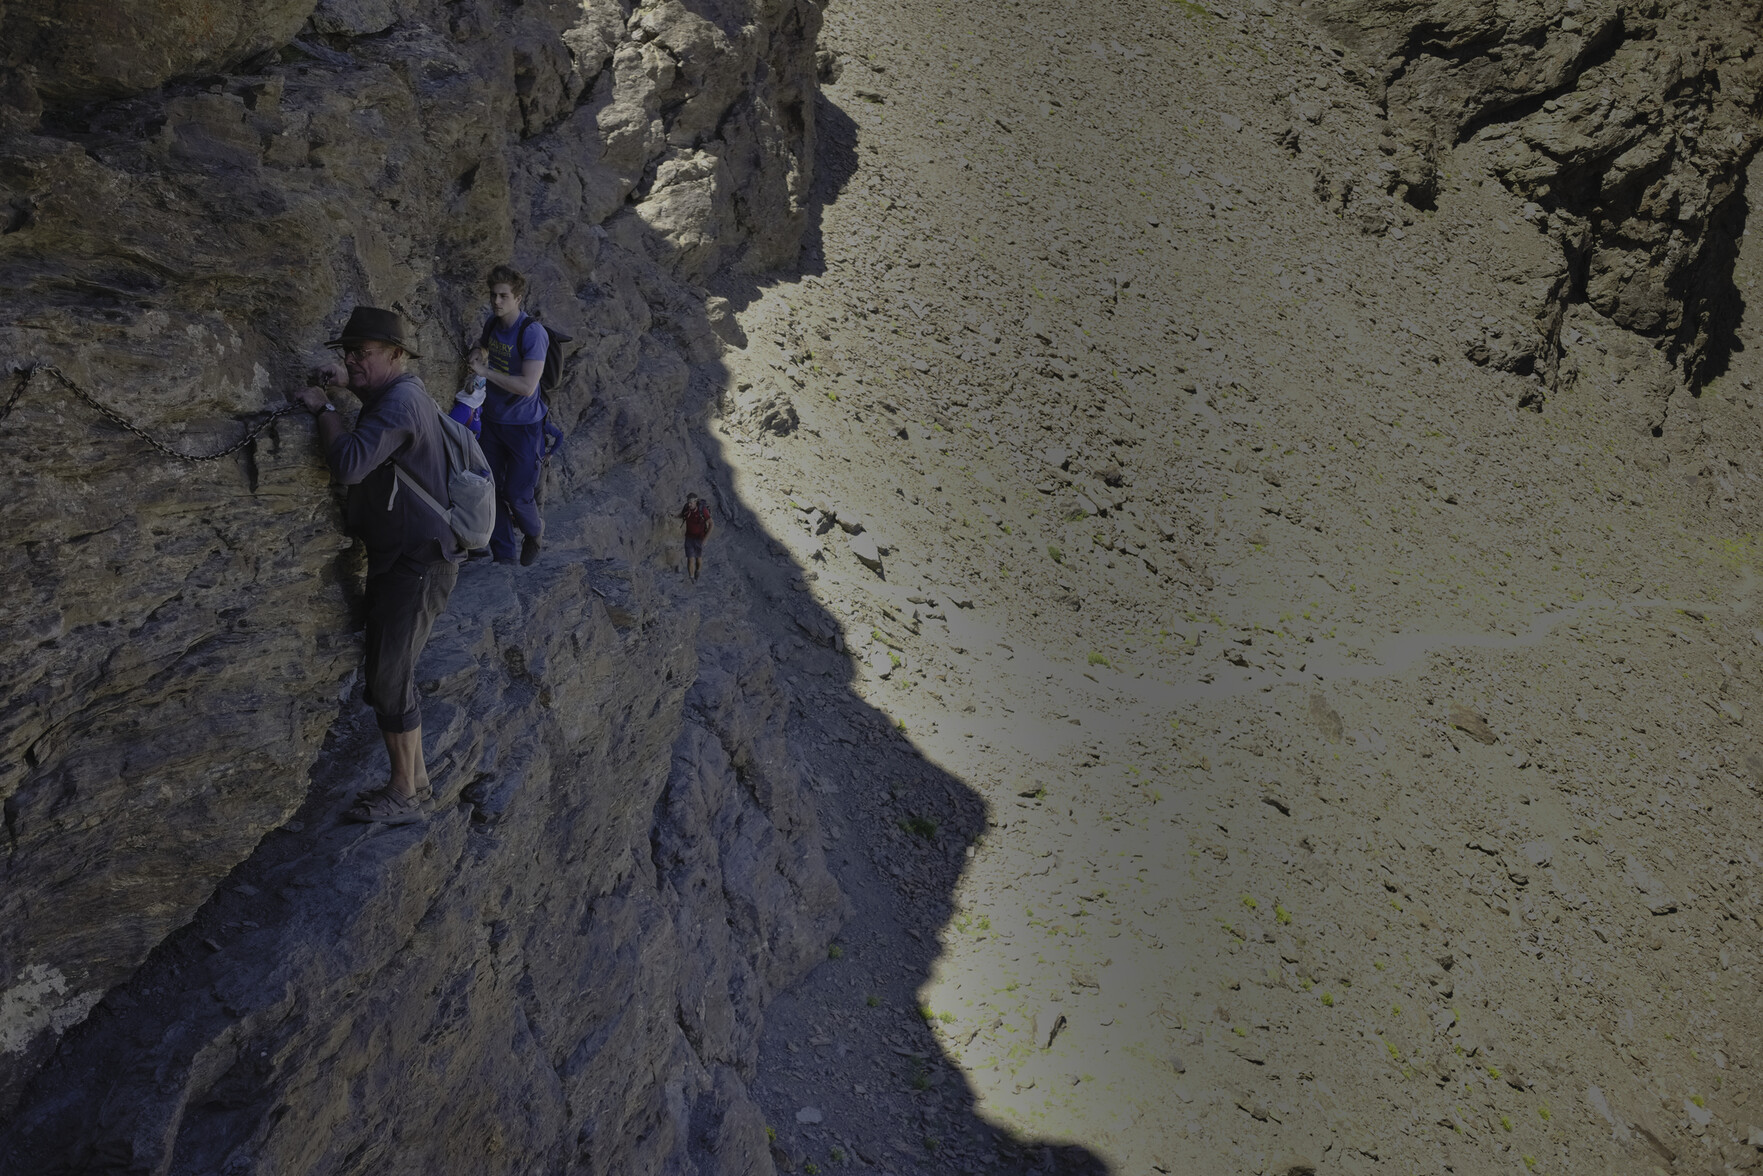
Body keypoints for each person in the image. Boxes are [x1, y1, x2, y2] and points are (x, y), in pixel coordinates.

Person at [287, 306, 463, 825]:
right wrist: (348, 383)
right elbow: (382, 406)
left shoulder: (400, 403)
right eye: (347, 352)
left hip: (416, 562)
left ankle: (404, 793)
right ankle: (419, 778)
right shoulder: (402, 392)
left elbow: (349, 463)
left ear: (396, 354)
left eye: (360, 353)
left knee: (389, 677)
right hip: (412, 556)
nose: (350, 359)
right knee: (395, 670)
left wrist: (324, 409)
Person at [471, 264, 547, 566]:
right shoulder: (493, 324)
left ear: (518, 298)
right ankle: (504, 558)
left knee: (517, 494)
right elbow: (482, 344)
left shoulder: (532, 333)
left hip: (524, 426)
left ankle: (534, 532)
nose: (497, 302)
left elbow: (528, 386)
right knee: (489, 489)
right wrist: (478, 353)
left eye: (503, 296)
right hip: (492, 421)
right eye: (493, 295)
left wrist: (485, 372)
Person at [679, 492, 712, 580]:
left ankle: (698, 571)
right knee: (690, 558)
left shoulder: (702, 510)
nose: (689, 504)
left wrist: (705, 539)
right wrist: (674, 516)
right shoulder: (686, 507)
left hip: (699, 538)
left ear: (695, 502)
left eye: (691, 503)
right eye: (688, 502)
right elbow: (682, 515)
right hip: (689, 537)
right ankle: (691, 577)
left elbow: (711, 524)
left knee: (698, 558)